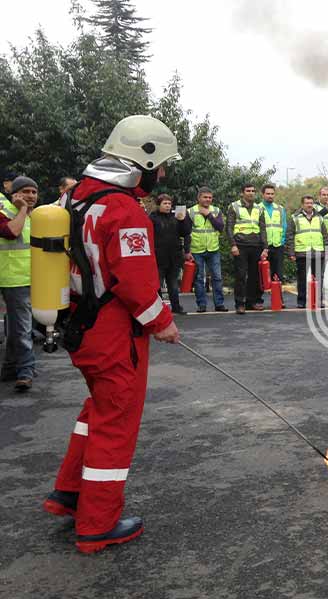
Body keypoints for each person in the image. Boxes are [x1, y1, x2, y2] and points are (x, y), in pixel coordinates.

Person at [43, 115, 180, 554]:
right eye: (160, 166)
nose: (161, 176)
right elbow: (135, 282)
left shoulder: (74, 197)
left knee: (97, 408)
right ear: (142, 160)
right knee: (116, 420)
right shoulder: (124, 211)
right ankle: (98, 524)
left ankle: (69, 493)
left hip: (80, 324)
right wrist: (162, 322)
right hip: (113, 332)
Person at [0, 176, 38, 391]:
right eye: (25, 192)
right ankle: (26, 371)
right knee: (23, 328)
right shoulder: (7, 213)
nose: (30, 196)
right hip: (13, 278)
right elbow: (11, 232)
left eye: (33, 192)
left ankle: (9, 367)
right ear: (14, 194)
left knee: (17, 327)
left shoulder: (40, 216)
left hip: (31, 278)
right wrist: (22, 209)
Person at [226, 184, 268, 314]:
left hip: (256, 245)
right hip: (240, 245)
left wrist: (265, 247)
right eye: (248, 191)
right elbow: (229, 227)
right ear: (242, 193)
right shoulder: (234, 207)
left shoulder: (259, 208)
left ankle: (252, 302)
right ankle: (240, 304)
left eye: (253, 191)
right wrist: (233, 245)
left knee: (255, 276)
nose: (251, 193)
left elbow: (262, 229)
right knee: (241, 275)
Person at [148, 194, 191, 315]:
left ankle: (176, 307)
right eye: (165, 203)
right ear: (159, 205)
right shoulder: (152, 218)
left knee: (173, 283)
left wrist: (183, 221)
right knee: (157, 284)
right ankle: (158, 309)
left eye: (169, 204)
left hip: (174, 256)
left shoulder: (176, 216)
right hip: (158, 255)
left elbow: (186, 232)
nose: (167, 206)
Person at [187, 187, 227, 313]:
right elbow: (186, 233)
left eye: (210, 197)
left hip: (213, 248)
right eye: (205, 197)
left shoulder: (215, 210)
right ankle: (202, 305)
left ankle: (219, 304)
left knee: (217, 277)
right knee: (199, 278)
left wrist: (209, 215)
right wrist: (187, 251)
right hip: (196, 249)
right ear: (198, 198)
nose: (208, 200)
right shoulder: (191, 211)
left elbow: (220, 227)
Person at [286, 195, 328, 308]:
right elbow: (289, 236)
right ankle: (301, 301)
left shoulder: (319, 218)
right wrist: (291, 253)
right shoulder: (295, 218)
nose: (309, 205)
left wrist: (327, 250)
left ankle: (319, 300)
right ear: (302, 205)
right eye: (307, 203)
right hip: (302, 252)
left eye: (311, 203)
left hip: (318, 252)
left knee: (319, 278)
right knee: (302, 279)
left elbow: (325, 235)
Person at [261, 184, 287, 283]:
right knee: (263, 274)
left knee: (278, 275)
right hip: (263, 246)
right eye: (268, 194)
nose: (270, 196)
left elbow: (284, 225)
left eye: (272, 194)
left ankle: (277, 297)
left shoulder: (280, 209)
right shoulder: (258, 208)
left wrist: (282, 240)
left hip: (278, 245)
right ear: (263, 194)